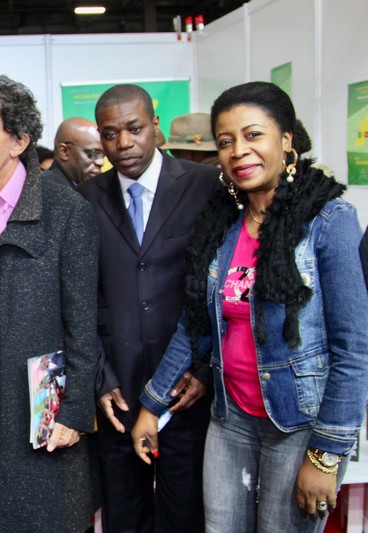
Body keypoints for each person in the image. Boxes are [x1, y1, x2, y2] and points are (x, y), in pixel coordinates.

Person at [132, 81, 368, 533]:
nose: (239, 150)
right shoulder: (224, 223)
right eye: (226, 141)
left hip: (297, 425)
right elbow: (194, 324)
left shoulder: (329, 221)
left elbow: (354, 350)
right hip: (230, 419)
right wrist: (152, 403)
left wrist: (326, 453)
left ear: (286, 140)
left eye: (253, 135)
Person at [0, 75, 99, 532]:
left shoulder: (63, 210)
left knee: (44, 512)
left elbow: (84, 322)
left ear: (19, 141)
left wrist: (73, 411)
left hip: (37, 395)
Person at [77, 84, 218, 533]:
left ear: (155, 126)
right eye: (110, 133)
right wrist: (99, 376)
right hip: (117, 389)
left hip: (186, 387)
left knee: (185, 514)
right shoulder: (84, 198)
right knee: (124, 515)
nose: (123, 143)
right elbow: (78, 296)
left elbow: (219, 288)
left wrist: (205, 368)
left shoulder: (206, 186)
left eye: (134, 129)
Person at [41, 116, 105, 188]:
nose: (101, 162)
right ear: (64, 151)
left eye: (103, 155)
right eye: (92, 154)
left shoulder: (90, 187)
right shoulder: (46, 189)